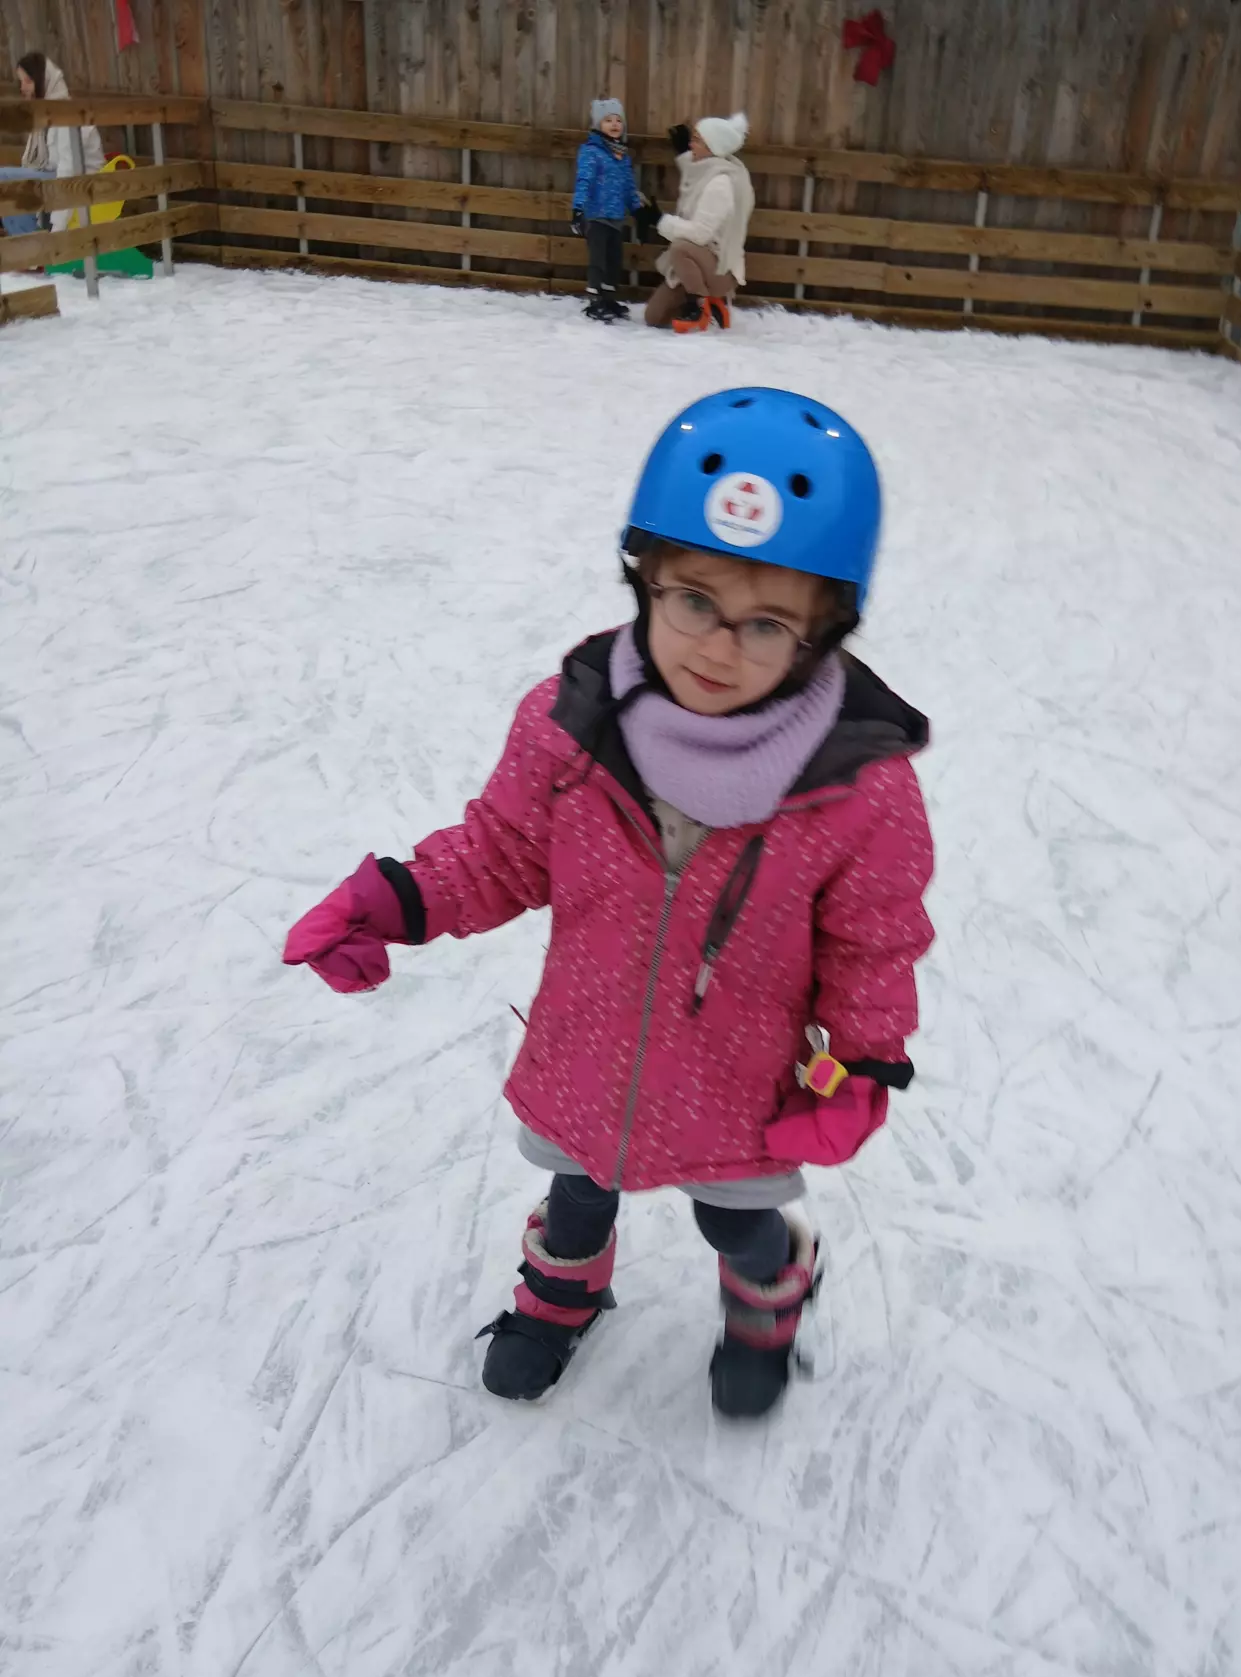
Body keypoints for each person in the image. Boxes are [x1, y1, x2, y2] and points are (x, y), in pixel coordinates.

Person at [284, 387, 935, 1421]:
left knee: (739, 1221)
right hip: (591, 1045)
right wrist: (395, 900)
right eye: (692, 602)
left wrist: (862, 1059)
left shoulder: (856, 787)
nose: (717, 650)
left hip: (743, 1080)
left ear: (821, 633)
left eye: (764, 623)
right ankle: (561, 1296)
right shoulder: (571, 728)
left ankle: (775, 1285)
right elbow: (501, 854)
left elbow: (874, 941)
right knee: (578, 1189)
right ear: (647, 580)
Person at [645, 111, 755, 333]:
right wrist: (684, 152)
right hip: (698, 265)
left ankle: (698, 304)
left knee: (680, 247)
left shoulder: (720, 183)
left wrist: (660, 221)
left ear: (712, 147)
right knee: (654, 317)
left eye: (696, 140)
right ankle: (713, 304)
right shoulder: (708, 170)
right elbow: (694, 172)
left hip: (718, 269)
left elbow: (699, 234)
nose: (691, 145)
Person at [1, 54, 104, 237]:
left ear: (44, 81)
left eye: (28, 81)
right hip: (58, 175)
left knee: (6, 178)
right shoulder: (45, 115)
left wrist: (58, 229)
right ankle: (29, 245)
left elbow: (69, 171)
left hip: (85, 180)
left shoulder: (64, 113)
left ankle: (32, 248)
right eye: (21, 81)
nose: (22, 87)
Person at [570, 97, 652, 323]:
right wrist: (577, 210)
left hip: (616, 218)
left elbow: (628, 187)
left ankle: (608, 298)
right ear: (598, 125)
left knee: (614, 261)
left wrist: (637, 211)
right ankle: (595, 302)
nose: (615, 124)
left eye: (618, 120)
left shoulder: (621, 155)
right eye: (608, 120)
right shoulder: (591, 151)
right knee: (598, 261)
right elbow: (583, 181)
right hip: (596, 217)